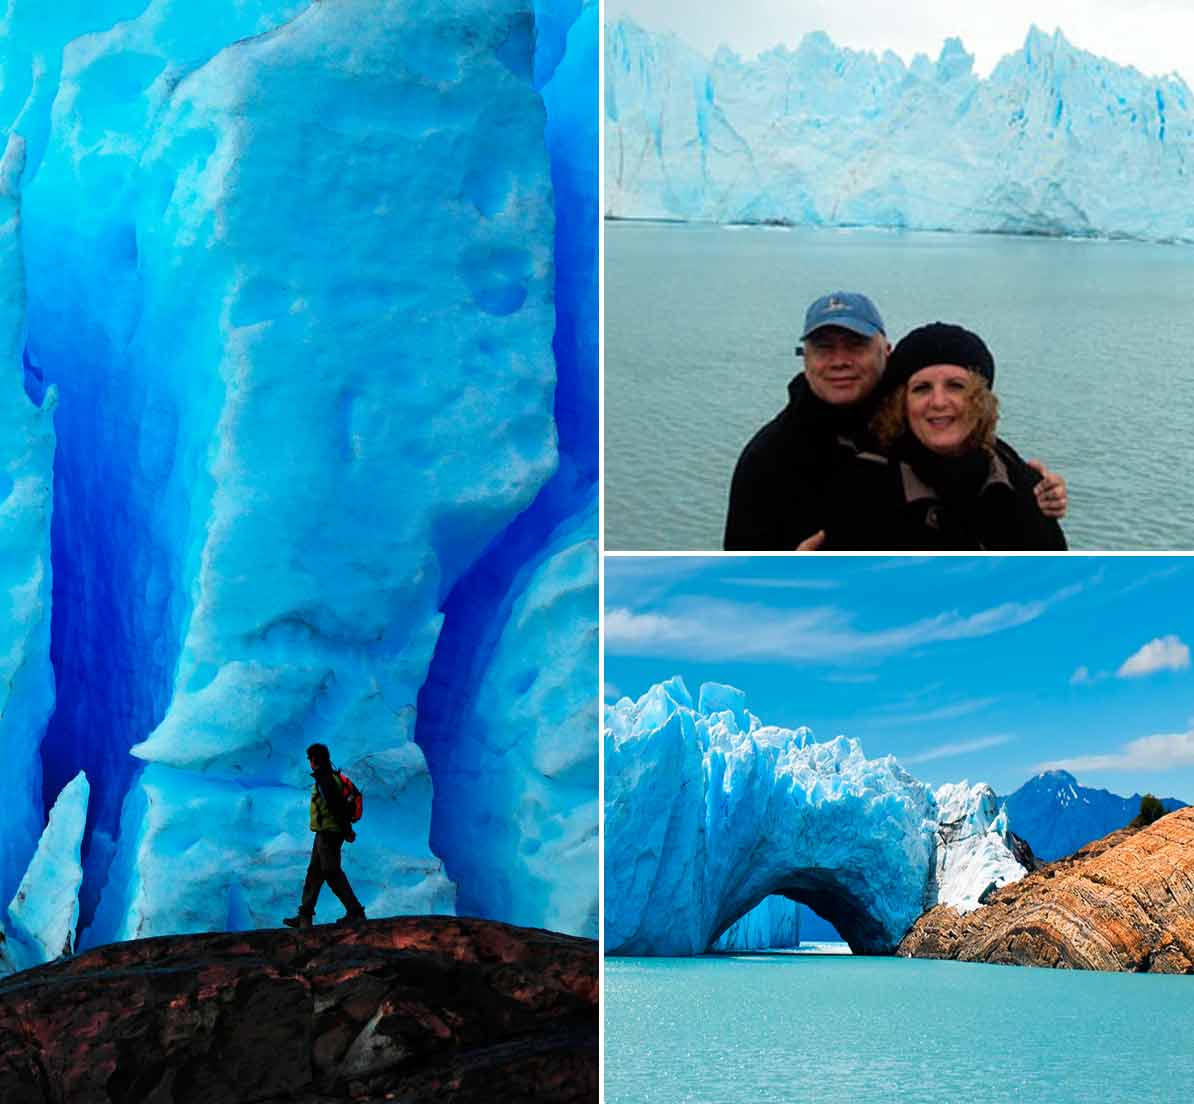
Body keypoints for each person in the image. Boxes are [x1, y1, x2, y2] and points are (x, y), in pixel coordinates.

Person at [724, 292, 1067, 550]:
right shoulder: (770, 458)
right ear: (805, 359)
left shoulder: (979, 455)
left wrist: (1036, 487)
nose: (839, 360)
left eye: (855, 345)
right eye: (824, 348)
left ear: (885, 352)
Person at [819, 322, 1067, 549]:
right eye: (921, 388)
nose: (938, 402)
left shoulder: (1016, 476)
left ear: (980, 399)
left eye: (956, 386)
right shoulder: (861, 487)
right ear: (901, 404)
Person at [283, 743, 366, 929]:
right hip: (325, 833)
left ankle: (355, 912)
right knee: (314, 872)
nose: (309, 763)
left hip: (330, 834)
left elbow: (337, 807)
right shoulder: (328, 777)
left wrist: (347, 832)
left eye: (310, 759)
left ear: (313, 760)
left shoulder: (326, 780)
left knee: (332, 872)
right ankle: (304, 916)